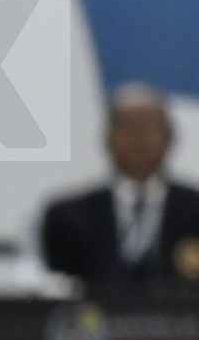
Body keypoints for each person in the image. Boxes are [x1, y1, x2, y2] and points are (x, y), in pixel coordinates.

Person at [40, 82, 199, 291]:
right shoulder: (68, 216)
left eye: (148, 128)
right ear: (107, 139)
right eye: (127, 128)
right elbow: (56, 290)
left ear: (169, 138)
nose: (138, 140)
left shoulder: (195, 209)